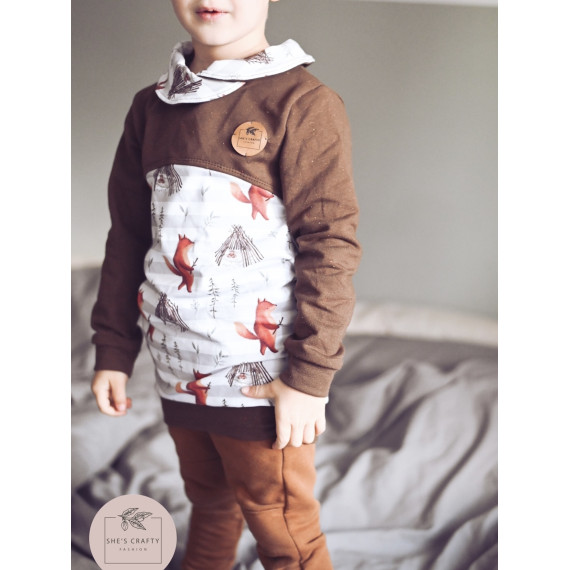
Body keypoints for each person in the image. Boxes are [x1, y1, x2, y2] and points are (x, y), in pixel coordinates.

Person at [90, 1, 361, 568]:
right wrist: (113, 349)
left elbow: (330, 244)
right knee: (210, 502)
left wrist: (310, 378)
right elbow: (128, 236)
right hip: (175, 367)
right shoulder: (150, 107)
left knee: (283, 530)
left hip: (260, 376)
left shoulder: (303, 103)